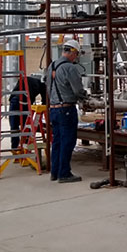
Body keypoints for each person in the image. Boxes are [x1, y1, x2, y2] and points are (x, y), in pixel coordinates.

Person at [47, 39, 88, 183]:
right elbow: (77, 90)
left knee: (57, 141)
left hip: (53, 109)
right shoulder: (70, 68)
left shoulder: (52, 66)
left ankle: (55, 171)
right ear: (72, 52)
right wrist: (85, 96)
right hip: (66, 110)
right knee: (68, 141)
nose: (76, 57)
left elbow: (48, 87)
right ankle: (64, 173)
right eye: (76, 54)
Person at [9, 76, 46, 150]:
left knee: (14, 126)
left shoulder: (28, 79)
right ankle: (25, 146)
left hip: (15, 100)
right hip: (25, 102)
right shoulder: (42, 84)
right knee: (26, 125)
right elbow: (45, 99)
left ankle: (15, 148)